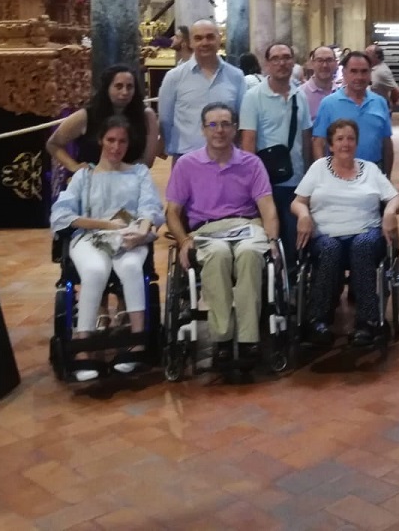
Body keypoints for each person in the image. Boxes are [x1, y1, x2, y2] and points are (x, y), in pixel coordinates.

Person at [165, 103, 281, 363]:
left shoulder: (252, 163)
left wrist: (272, 239)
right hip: (206, 229)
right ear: (203, 129)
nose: (220, 130)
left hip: (247, 225)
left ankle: (249, 338)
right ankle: (222, 338)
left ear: (235, 128)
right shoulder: (187, 164)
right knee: (217, 256)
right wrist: (184, 240)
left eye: (226, 124)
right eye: (213, 125)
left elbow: (268, 208)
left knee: (251, 254)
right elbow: (172, 212)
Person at [50, 116, 164, 380]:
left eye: (122, 141)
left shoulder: (138, 173)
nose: (116, 147)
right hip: (90, 237)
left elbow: (151, 209)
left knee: (132, 266)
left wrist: (142, 230)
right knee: (94, 271)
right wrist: (105, 224)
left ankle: (138, 340)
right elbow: (62, 215)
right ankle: (82, 347)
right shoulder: (84, 176)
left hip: (129, 235)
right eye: (111, 140)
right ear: (101, 140)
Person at [292, 119, 399, 347]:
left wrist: (390, 212)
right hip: (326, 235)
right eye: (340, 139)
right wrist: (303, 215)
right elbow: (298, 201)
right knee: (330, 249)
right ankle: (317, 321)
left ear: (356, 143)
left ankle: (368, 322)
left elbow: (394, 198)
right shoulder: (319, 168)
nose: (346, 143)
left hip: (365, 232)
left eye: (350, 138)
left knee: (361, 246)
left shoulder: (370, 169)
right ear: (330, 145)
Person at [240, 42, 313, 268]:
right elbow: (248, 143)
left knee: (294, 240)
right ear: (267, 64)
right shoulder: (253, 97)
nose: (282, 63)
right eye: (276, 58)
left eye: (286, 57)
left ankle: (292, 288)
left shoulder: (299, 95)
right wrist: (250, 184)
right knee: (269, 239)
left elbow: (306, 138)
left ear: (293, 61)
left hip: (296, 181)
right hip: (266, 183)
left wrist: (309, 178)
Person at [47, 64, 161, 173]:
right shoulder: (85, 116)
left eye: (130, 87)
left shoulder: (147, 116)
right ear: (107, 88)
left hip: (131, 180)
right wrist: (74, 167)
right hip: (92, 180)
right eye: (119, 86)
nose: (125, 92)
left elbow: (147, 162)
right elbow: (53, 144)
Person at [158, 19, 246, 157]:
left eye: (210, 37)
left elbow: (241, 118)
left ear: (219, 39)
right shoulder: (174, 77)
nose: (205, 42)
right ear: (190, 43)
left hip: (225, 156)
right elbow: (165, 119)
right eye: (198, 38)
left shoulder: (236, 76)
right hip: (186, 156)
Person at [312, 51, 394, 176]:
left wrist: (387, 176)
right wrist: (324, 174)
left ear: (370, 73)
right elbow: (319, 142)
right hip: (339, 172)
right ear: (344, 73)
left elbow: (386, 142)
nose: (359, 77)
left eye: (364, 71)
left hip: (373, 172)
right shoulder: (329, 103)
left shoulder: (380, 102)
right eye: (354, 71)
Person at [301, 45, 339, 119]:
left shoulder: (342, 94)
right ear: (312, 64)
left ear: (336, 63)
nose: (324, 65)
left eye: (329, 60)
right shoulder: (301, 95)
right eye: (320, 60)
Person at [366, 44, 399, 109]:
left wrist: (391, 105)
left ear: (376, 55)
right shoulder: (370, 68)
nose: (365, 55)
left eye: (368, 53)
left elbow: (396, 90)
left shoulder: (382, 71)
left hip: (379, 108)